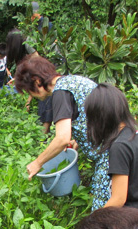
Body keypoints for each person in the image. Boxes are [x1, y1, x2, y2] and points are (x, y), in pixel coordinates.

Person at [14, 55, 110, 210]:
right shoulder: (73, 81)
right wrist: (79, 140)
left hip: (111, 156)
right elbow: (94, 116)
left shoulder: (61, 92)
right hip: (123, 146)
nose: (31, 96)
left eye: (29, 91)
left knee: (103, 213)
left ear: (37, 81)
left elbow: (62, 138)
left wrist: (37, 163)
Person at [85, 83, 138, 214]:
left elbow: (119, 199)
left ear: (101, 117)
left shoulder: (119, 146)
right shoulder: (133, 134)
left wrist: (93, 220)